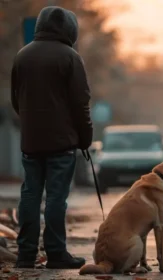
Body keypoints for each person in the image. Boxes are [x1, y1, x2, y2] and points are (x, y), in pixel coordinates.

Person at [10, 6, 92, 269]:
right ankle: (56, 254)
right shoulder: (70, 57)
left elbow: (15, 99)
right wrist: (85, 138)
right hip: (61, 143)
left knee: (30, 195)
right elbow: (81, 103)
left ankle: (25, 255)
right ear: (70, 29)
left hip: (31, 142)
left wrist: (31, 122)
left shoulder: (22, 56)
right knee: (56, 198)